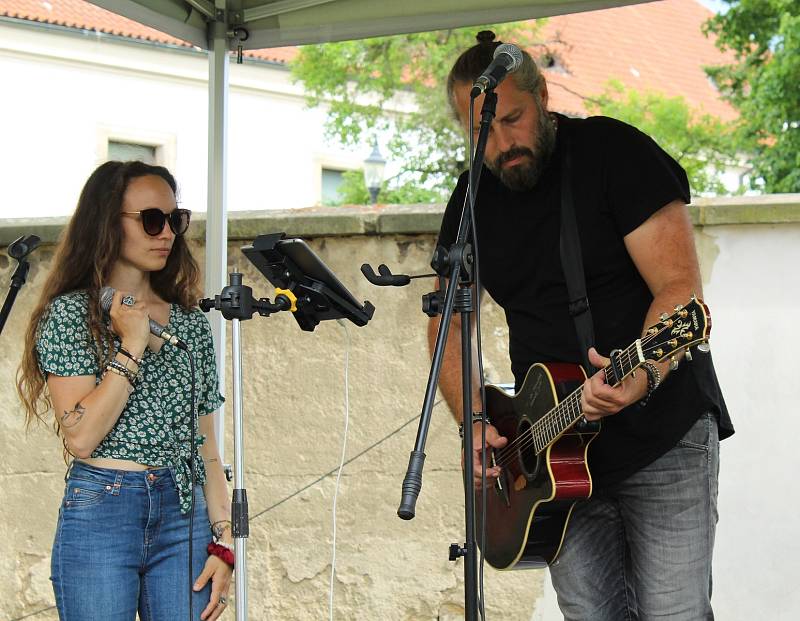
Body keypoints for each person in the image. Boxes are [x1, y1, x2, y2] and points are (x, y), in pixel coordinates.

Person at [430, 32, 732, 620]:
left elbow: (679, 288)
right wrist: (473, 418)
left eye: (512, 119)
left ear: (542, 95)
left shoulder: (615, 154)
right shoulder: (471, 198)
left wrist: (641, 375)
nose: (500, 144)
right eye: (480, 131)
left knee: (675, 613)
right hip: (551, 456)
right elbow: (448, 323)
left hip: (661, 436)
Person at [18, 161, 233, 621]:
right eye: (151, 220)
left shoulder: (193, 325)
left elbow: (208, 449)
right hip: (103, 510)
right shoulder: (72, 316)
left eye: (175, 220)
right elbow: (80, 437)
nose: (167, 234)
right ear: (107, 225)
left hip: (184, 513)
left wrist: (224, 541)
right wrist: (132, 344)